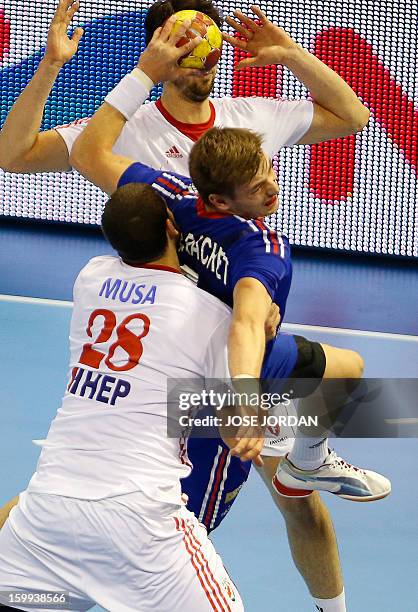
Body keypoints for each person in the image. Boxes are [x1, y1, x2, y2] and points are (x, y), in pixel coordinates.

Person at [0, 2, 379, 611]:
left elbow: (352, 114)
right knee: (122, 509)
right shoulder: (128, 127)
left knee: (313, 466)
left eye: (202, 38)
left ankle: (309, 482)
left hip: (235, 355)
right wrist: (51, 67)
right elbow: (14, 155)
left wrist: (287, 52)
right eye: (177, 40)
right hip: (181, 363)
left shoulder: (247, 121)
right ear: (158, 47)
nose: (195, 51)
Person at [0, 147, 253, 610]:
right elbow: (228, 410)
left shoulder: (89, 278)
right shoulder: (212, 315)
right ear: (174, 228)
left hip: (46, 516)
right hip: (141, 528)